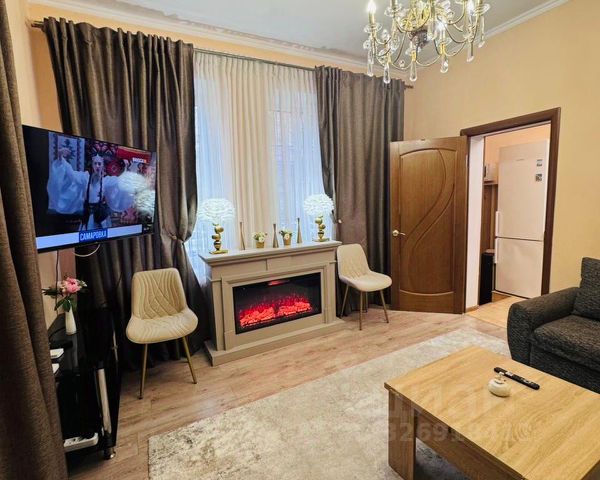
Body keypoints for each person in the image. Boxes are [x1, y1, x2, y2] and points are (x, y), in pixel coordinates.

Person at [48, 151, 138, 230]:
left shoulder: (106, 181)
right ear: (92, 165)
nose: (97, 166)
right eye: (95, 163)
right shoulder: (85, 178)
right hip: (88, 213)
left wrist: (126, 168)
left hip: (100, 215)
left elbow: (120, 181)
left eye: (99, 164)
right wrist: (60, 157)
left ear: (102, 165)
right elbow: (70, 173)